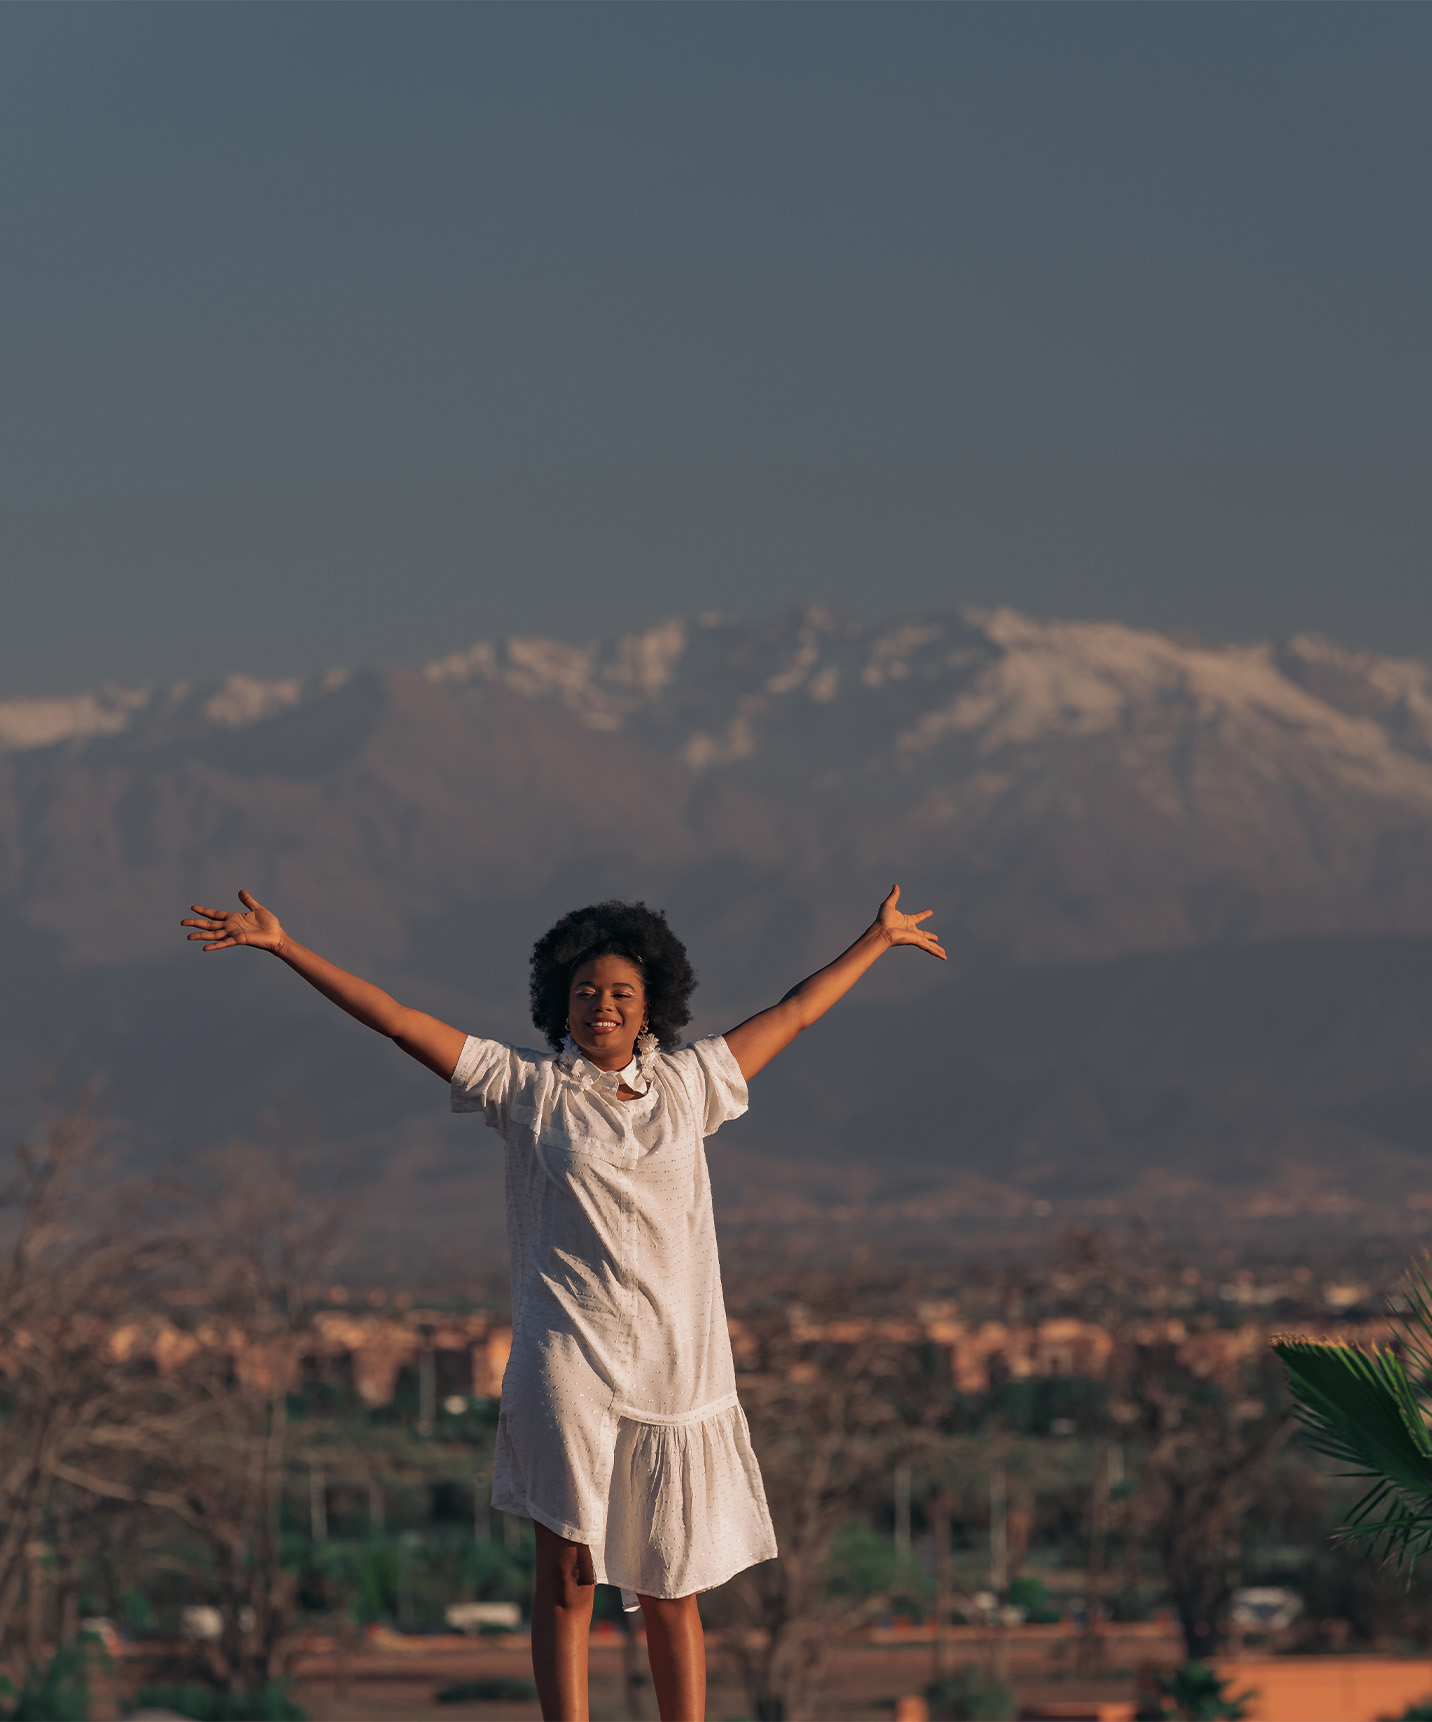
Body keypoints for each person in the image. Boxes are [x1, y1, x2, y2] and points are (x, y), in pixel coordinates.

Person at [181, 884, 944, 1721]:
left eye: (619, 993)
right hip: (567, 1362)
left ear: (651, 1006)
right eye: (584, 993)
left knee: (671, 1582)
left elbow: (794, 1013)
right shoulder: (526, 1092)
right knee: (568, 1574)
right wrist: (286, 947)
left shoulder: (692, 1089)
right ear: (560, 1005)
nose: (601, 1006)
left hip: (674, 1369)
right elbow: (397, 1019)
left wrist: (876, 940)